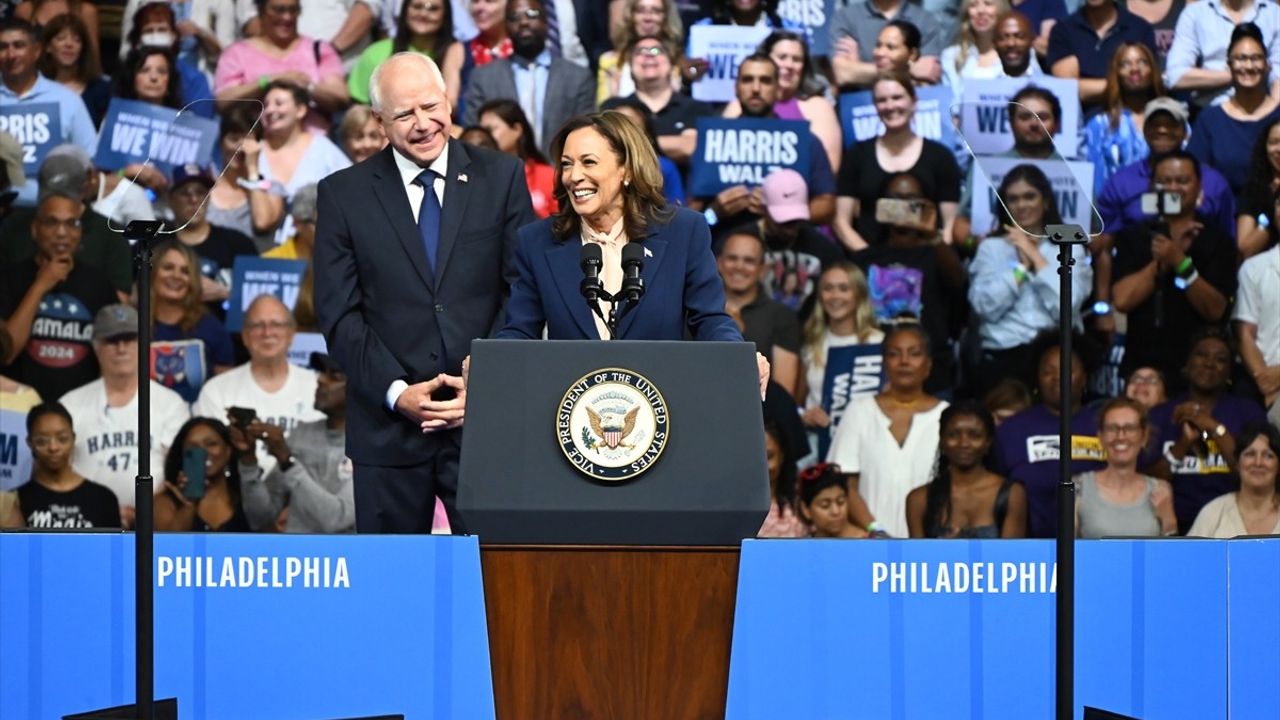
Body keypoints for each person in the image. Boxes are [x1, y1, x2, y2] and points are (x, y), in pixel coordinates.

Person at [314, 52, 536, 533]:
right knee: (393, 594)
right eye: (404, 114)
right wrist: (398, 393)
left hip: (485, 426)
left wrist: (483, 380)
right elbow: (338, 315)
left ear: (449, 101)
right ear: (379, 122)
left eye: (430, 107)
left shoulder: (501, 177)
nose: (423, 124)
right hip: (388, 432)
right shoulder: (342, 194)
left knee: (498, 588)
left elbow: (522, 292)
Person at [497, 110, 745, 344]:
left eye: (588, 162)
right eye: (567, 164)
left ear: (626, 170)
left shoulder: (683, 231)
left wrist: (739, 357)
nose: (573, 176)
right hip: (570, 388)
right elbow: (519, 331)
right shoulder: (537, 241)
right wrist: (488, 362)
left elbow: (710, 320)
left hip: (657, 387)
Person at [59, 305, 190, 528]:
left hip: (154, 526)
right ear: (96, 346)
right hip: (84, 525)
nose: (121, 348)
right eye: (112, 340)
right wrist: (101, 513)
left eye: (129, 339)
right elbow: (57, 471)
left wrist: (145, 512)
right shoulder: (70, 404)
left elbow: (177, 472)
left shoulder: (170, 404)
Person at [1112, 150, 1236, 387]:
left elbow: (1215, 310)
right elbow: (1123, 300)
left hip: (1197, 371)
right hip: (1142, 364)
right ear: (1151, 186)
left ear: (1199, 186)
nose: (1173, 188)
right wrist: (1163, 261)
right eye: (1164, 181)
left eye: (1182, 181)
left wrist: (1180, 261)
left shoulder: (1218, 240)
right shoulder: (1133, 236)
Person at [967, 164, 1092, 396]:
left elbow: (1068, 307)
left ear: (1045, 201)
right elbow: (985, 307)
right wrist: (1022, 268)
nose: (1021, 205)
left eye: (1029, 196)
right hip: (1003, 357)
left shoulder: (1069, 247)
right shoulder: (990, 248)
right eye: (1013, 199)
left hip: (1056, 356)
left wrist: (1035, 256)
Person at [826, 322, 948, 538]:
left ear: (928, 364)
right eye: (894, 354)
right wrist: (876, 531)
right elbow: (845, 484)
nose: (904, 361)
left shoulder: (945, 416)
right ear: (883, 363)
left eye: (914, 353)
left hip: (930, 546)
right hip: (869, 544)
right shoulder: (860, 410)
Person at [0, 188, 118, 401]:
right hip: (17, 407)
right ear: (35, 229)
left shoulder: (99, 284)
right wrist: (40, 285)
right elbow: (6, 354)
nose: (62, 232)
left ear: (80, 232)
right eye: (52, 223)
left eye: (72, 223)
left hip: (80, 409)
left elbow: (113, 358)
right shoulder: (9, 279)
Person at [853, 173, 967, 394]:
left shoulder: (938, 255)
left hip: (931, 374)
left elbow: (959, 282)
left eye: (911, 199)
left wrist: (933, 235)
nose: (903, 205)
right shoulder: (864, 259)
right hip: (871, 370)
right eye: (895, 198)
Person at [1146, 329, 1269, 532]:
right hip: (1171, 526)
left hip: (1232, 525)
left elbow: (1250, 473)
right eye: (1201, 354)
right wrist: (1182, 445)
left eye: (1220, 359)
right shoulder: (1161, 414)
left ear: (1230, 373)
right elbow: (1146, 481)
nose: (1209, 363)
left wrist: (1213, 427)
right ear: (1187, 365)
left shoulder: (1247, 413)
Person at [698, 53, 836, 231]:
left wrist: (785, 215)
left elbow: (827, 205)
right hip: (723, 247)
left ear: (778, 89)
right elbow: (689, 214)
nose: (756, 88)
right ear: (736, 87)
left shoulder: (804, 141)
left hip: (785, 247)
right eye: (748, 80)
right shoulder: (712, 139)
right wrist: (714, 213)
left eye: (765, 80)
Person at [194, 294, 325, 474]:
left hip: (306, 496)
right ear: (245, 336)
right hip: (238, 496)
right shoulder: (216, 391)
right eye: (257, 325)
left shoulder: (318, 387)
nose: (267, 333)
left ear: (291, 334)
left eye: (276, 324)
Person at [834, 71, 961, 252]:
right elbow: (841, 221)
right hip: (870, 261)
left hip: (926, 262)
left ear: (914, 102)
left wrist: (933, 261)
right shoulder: (857, 154)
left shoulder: (940, 157)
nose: (890, 106)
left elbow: (949, 227)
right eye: (882, 100)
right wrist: (869, 258)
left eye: (897, 97)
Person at [994, 334, 1106, 538]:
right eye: (1048, 371)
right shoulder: (1012, 430)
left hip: (1095, 545)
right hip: (1029, 548)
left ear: (1085, 378)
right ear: (1037, 378)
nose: (1057, 377)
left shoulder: (1105, 425)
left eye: (1068, 369)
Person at [232, 351, 354, 533]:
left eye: (334, 376)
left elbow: (337, 519)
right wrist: (249, 460)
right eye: (322, 372)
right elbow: (260, 517)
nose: (320, 379)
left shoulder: (370, 446)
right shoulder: (301, 434)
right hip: (296, 555)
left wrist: (287, 462)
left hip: (346, 557)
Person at [462, 0, 595, 159]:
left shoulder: (578, 77)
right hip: (500, 175)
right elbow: (474, 135)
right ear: (505, 27)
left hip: (561, 175)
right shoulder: (483, 77)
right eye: (514, 17)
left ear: (547, 22)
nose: (523, 22)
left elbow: (587, 132)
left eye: (532, 14)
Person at [0, 147, 137, 297]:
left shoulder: (111, 237)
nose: (61, 232)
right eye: (51, 194)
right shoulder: (14, 227)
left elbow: (118, 309)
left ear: (86, 185)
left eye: (65, 195)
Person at [1095, 97, 1236, 237]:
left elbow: (1228, 238)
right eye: (1155, 125)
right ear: (1145, 130)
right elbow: (1104, 240)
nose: (1162, 130)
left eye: (1171, 125)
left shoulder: (1214, 182)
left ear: (1185, 131)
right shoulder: (1120, 183)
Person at [0, 18, 98, 207]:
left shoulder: (67, 100)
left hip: (55, 210)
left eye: (19, 46)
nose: (11, 54)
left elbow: (90, 160)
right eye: (3, 47)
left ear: (36, 51)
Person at [212, 0, 350, 126]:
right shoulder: (236, 53)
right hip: (257, 145)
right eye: (279, 10)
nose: (287, 17)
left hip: (313, 146)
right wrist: (268, 82)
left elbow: (340, 97)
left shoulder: (319, 50)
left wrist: (307, 86)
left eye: (293, 10)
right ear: (261, 11)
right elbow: (223, 101)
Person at [1187, 24, 1280, 202]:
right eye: (1241, 58)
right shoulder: (1210, 120)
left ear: (1267, 65)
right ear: (1229, 65)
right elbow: (1195, 174)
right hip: (1222, 216)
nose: (1249, 66)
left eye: (1256, 58)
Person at [906, 400, 1026, 538]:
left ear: (988, 442)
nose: (964, 443)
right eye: (954, 435)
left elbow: (1013, 557)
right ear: (942, 440)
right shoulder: (918, 500)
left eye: (975, 436)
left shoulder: (1012, 494)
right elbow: (914, 558)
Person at [257, 80, 351, 245]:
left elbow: (352, 192)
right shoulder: (255, 152)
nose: (270, 110)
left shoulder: (323, 149)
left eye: (279, 103)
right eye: (266, 104)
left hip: (316, 249)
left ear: (300, 110)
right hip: (264, 253)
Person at [798, 264, 884, 436]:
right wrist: (805, 416)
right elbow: (796, 404)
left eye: (844, 289)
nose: (835, 296)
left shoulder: (880, 343)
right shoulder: (812, 344)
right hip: (819, 444)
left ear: (859, 294)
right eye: (828, 288)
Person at [1074, 397, 1176, 537]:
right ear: (1100, 437)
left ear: (1144, 436)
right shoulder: (1077, 487)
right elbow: (1065, 552)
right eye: (1112, 428)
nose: (1121, 436)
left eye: (1130, 428)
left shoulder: (1160, 489)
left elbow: (1171, 554)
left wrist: (1169, 521)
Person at [717, 226, 800, 396]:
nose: (739, 266)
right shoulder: (695, 313)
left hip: (761, 416)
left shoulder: (782, 317)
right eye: (732, 258)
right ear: (719, 262)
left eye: (749, 260)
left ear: (763, 269)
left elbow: (784, 393)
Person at [169, 163, 259, 319]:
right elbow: (133, 297)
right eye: (185, 193)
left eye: (201, 193)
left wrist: (224, 293)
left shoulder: (238, 244)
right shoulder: (153, 244)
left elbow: (259, 299)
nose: (194, 200)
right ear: (171, 199)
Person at [150, 239, 236, 401]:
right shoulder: (134, 326)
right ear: (152, 272)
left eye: (185, 271)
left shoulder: (212, 328)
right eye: (168, 268)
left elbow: (226, 393)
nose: (176, 276)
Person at [17, 402, 120, 528]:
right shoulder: (16, 501)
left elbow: (113, 547)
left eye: (62, 438)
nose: (53, 447)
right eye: (42, 441)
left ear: (73, 438)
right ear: (29, 442)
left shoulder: (103, 499)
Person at [753, 168, 844, 312]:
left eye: (796, 219)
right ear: (764, 209)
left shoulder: (824, 248)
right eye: (783, 220)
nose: (790, 226)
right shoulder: (741, 241)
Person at [1164, 0, 1280, 110]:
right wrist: (1238, 73)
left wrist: (1273, 114)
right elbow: (1175, 76)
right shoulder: (1195, 14)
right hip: (1209, 111)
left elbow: (1278, 74)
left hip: (1261, 111)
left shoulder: (1273, 14)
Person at [1083, 43, 1165, 196]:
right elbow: (1094, 183)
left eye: (1142, 62)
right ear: (1116, 73)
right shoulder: (1099, 125)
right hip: (1115, 212)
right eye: (1125, 64)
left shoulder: (1171, 122)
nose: (1134, 69)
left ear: (1152, 70)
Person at [615, 36, 710, 168]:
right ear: (630, 67)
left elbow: (690, 147)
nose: (648, 55)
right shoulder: (615, 107)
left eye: (656, 51)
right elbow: (612, 147)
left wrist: (632, 144)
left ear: (671, 64)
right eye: (640, 52)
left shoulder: (696, 107)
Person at [349, 0, 463, 106]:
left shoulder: (456, 53)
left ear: (445, 15)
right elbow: (359, 106)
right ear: (405, 11)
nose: (423, 14)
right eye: (417, 6)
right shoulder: (376, 52)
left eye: (433, 9)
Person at [1047, 0, 1156, 110]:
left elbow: (1150, 82)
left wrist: (1089, 87)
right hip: (1082, 120)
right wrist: (1125, 83)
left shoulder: (1140, 29)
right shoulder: (1063, 31)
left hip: (1132, 116)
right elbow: (1069, 89)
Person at [206, 105, 287, 252]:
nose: (240, 147)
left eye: (247, 140)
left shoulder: (273, 189)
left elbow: (262, 222)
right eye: (233, 138)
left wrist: (253, 170)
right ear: (221, 142)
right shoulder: (205, 188)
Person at [118, 2, 216, 117]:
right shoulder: (122, 76)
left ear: (174, 36)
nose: (153, 77)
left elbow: (202, 125)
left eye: (162, 30)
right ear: (138, 38)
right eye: (149, 31)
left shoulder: (194, 80)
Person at [154, 417, 251, 531]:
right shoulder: (165, 502)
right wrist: (188, 506)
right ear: (182, 455)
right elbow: (168, 546)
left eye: (211, 444)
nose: (203, 452)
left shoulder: (246, 497)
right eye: (193, 447)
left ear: (228, 451)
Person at [1188, 423, 1280, 537]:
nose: (1258, 462)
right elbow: (1189, 554)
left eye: (1268, 455)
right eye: (1250, 454)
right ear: (1237, 463)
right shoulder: (1213, 512)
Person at [829, 0, 943, 89]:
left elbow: (927, 76)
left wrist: (859, 70)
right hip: (858, 110)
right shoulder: (846, 18)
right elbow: (842, 74)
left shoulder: (924, 20)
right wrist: (908, 71)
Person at [478, 98, 557, 218]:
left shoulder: (548, 176)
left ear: (517, 129)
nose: (485, 137)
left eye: (491, 130)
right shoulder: (478, 177)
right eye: (482, 131)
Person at [595, 0, 683, 105]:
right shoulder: (609, 61)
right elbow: (602, 113)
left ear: (665, 17)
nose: (648, 18)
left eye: (656, 11)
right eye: (640, 11)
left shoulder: (676, 60)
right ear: (631, 16)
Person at [38, 14, 110, 127]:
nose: (69, 44)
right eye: (61, 38)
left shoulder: (101, 88)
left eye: (77, 40)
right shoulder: (35, 87)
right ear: (48, 47)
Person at [1236, 237, 1280, 410]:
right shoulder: (1253, 268)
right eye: (1278, 207)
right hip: (1258, 385)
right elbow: (1244, 334)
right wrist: (1268, 386)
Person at [941, 0, 1012, 97]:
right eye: (973, 5)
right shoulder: (951, 57)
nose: (980, 11)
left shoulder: (1018, 54)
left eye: (988, 4)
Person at [1237, 117, 1280, 258]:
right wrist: (1271, 216)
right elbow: (1245, 249)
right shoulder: (1254, 188)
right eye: (1274, 142)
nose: (1279, 149)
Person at [757, 421, 808, 537]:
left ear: (782, 456)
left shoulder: (799, 503)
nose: (762, 465)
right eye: (756, 457)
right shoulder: (736, 508)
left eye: (769, 456)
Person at [12, 0, 100, 65]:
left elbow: (92, 57)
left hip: (75, 79)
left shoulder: (86, 11)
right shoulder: (25, 10)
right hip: (35, 80)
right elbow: (17, 52)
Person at [796, 462, 869, 538]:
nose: (836, 511)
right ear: (805, 510)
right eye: (825, 506)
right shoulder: (802, 546)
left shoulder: (868, 543)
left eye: (841, 502)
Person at [113, 46, 184, 113]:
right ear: (131, 78)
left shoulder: (184, 121)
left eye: (161, 71)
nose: (153, 77)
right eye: (145, 70)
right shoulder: (114, 117)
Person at [263, 182, 319, 259]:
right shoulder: (270, 263)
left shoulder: (340, 263)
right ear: (297, 222)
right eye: (321, 224)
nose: (331, 230)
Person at [993, 10, 1044, 79]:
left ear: (1032, 40)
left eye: (1019, 36)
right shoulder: (984, 81)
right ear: (994, 43)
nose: (1011, 43)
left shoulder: (1047, 80)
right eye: (1003, 37)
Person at [467, 0, 514, 66]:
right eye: (475, 1)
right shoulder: (459, 54)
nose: (480, 7)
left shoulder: (524, 46)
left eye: (489, 1)